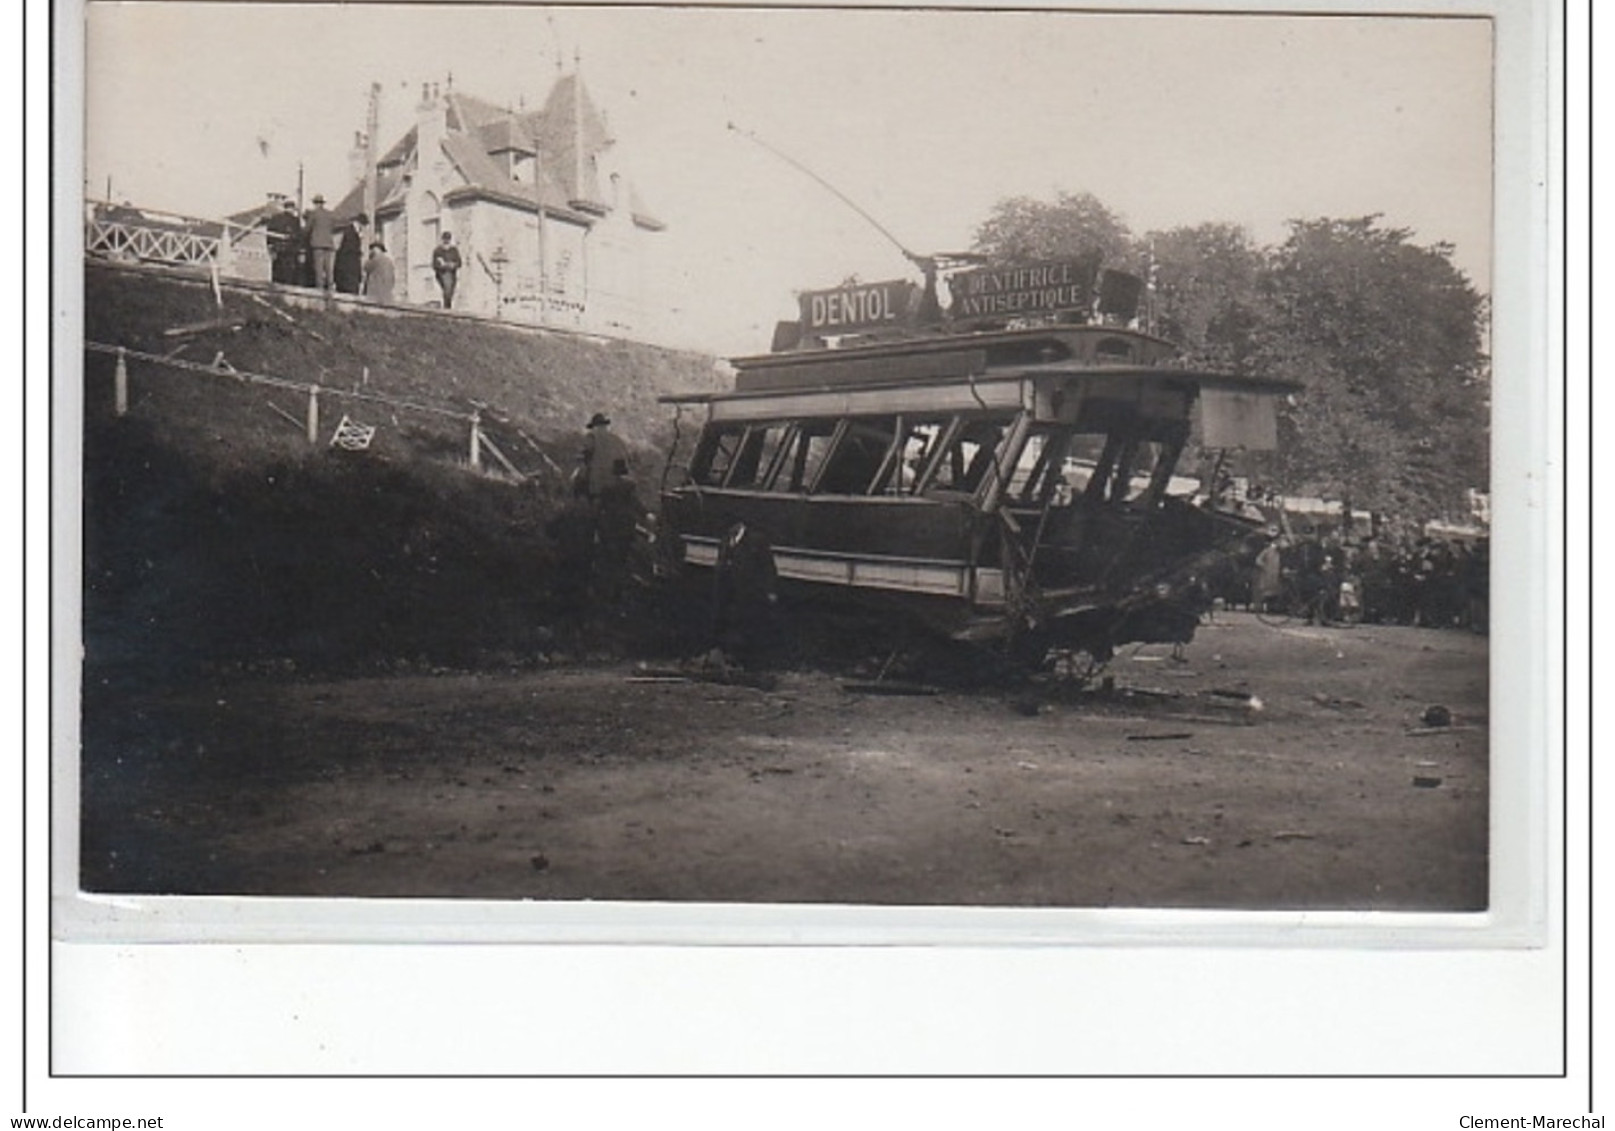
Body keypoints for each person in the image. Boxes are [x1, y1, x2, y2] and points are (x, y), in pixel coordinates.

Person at [578, 413, 638, 601]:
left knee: (595, 533)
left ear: (595, 427)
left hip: (599, 492)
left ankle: (594, 575)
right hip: (621, 494)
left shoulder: (591, 439)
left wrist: (581, 485)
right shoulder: (619, 441)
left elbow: (584, 463)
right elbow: (627, 466)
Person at [266, 200, 303, 285]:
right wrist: (299, 249)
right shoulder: (295, 220)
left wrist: (270, 246)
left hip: (278, 248)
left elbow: (269, 234)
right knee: (289, 271)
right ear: (292, 208)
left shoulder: (275, 218)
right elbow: (299, 236)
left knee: (277, 269)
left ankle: (276, 286)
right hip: (290, 250)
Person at [306, 194, 337, 292]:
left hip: (317, 244)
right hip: (329, 243)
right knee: (328, 268)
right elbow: (333, 227)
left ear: (315, 203)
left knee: (319, 267)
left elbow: (307, 229)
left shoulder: (313, 214)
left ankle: (320, 288)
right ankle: (330, 287)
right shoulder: (330, 214)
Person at [333, 213, 367, 295]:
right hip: (348, 269)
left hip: (349, 269)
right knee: (349, 290)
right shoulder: (350, 232)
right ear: (359, 223)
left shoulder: (353, 232)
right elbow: (348, 249)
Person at [431, 231, 462, 309]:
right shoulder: (438, 250)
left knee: (451, 291)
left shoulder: (454, 250)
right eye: (445, 239)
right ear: (442, 239)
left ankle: (448, 307)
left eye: (448, 239)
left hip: (452, 273)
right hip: (443, 273)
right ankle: (447, 308)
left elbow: (459, 262)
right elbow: (434, 264)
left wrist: (453, 265)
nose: (446, 241)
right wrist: (443, 265)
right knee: (447, 290)